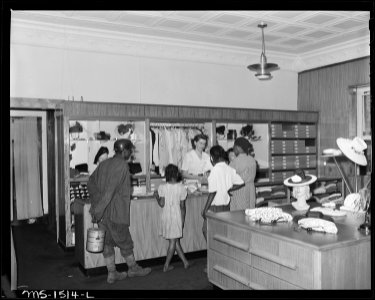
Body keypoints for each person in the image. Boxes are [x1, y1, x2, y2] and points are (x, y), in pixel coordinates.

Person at [87, 139, 151, 284]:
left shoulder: (104, 163)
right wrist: (98, 209)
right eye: (130, 150)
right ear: (125, 151)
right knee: (125, 241)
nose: (131, 153)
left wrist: (97, 205)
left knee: (107, 243)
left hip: (103, 214)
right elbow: (110, 191)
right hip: (115, 213)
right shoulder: (122, 165)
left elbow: (90, 182)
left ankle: (112, 273)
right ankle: (133, 268)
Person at [201, 145, 244, 272]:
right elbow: (241, 182)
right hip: (226, 207)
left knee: (207, 232)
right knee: (221, 235)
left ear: (212, 158)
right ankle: (221, 261)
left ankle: (214, 261)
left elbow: (213, 192)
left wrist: (205, 209)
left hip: (215, 207)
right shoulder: (229, 168)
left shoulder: (215, 170)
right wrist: (228, 189)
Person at [154, 164, 190, 272]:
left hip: (166, 216)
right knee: (173, 241)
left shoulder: (162, 187)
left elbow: (161, 203)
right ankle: (166, 265)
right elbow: (183, 206)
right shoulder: (182, 188)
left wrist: (156, 195)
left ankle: (185, 262)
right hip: (176, 216)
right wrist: (183, 219)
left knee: (174, 240)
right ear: (177, 174)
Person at [229, 137, 257, 210]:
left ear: (238, 147)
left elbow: (229, 178)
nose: (233, 149)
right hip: (251, 190)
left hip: (239, 191)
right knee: (250, 213)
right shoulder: (252, 160)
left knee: (238, 215)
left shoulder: (235, 162)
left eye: (234, 147)